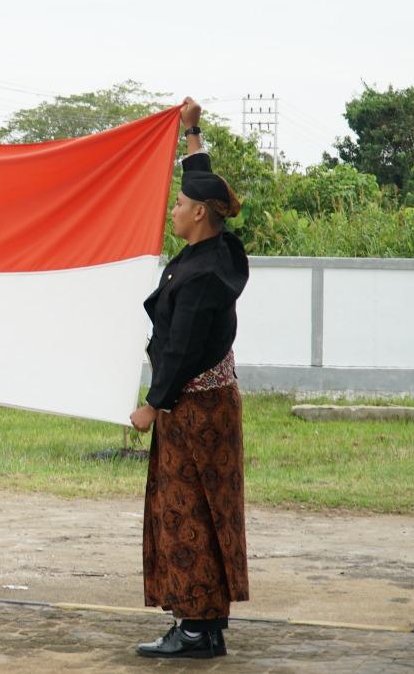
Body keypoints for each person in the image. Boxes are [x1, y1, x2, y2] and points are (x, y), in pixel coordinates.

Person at [129, 98, 250, 660]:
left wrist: (152, 406)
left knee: (188, 510)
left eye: (179, 204)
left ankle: (197, 630)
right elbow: (202, 178)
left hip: (193, 411)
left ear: (200, 213)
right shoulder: (223, 250)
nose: (173, 209)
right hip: (212, 405)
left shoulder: (202, 278)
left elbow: (177, 352)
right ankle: (207, 624)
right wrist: (191, 132)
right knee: (207, 506)